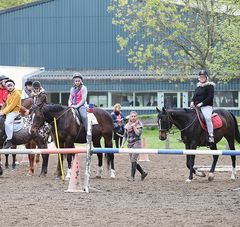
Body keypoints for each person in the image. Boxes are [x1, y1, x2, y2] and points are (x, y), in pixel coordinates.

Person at [121, 111, 148, 181]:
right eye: (132, 116)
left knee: (133, 159)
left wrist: (134, 127)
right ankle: (143, 173)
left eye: (134, 116)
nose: (133, 117)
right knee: (133, 161)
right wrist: (122, 144)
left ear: (137, 117)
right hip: (129, 144)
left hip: (137, 143)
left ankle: (132, 177)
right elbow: (125, 136)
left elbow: (138, 134)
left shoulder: (139, 124)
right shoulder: (127, 125)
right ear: (130, 117)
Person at [190, 70, 215, 144]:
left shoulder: (210, 86)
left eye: (203, 77)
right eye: (200, 77)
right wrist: (192, 102)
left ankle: (211, 135)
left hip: (207, 106)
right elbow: (194, 96)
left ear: (206, 77)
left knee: (207, 118)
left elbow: (210, 97)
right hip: (197, 107)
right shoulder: (198, 87)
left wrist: (201, 103)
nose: (202, 78)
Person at [0, 79, 21, 149]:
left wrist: (3, 112)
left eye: (11, 86)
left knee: (7, 123)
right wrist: (1, 110)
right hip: (9, 111)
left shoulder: (17, 93)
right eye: (8, 86)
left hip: (14, 111)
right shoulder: (9, 94)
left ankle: (9, 140)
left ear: (13, 86)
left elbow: (12, 105)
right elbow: (6, 104)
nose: (10, 87)